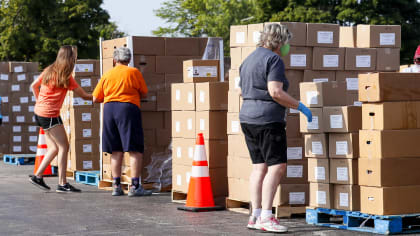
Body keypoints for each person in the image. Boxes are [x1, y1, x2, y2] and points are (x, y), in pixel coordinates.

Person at [239, 23, 312, 233]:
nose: (287, 47)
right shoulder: (274, 59)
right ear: (279, 41)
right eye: (286, 42)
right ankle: (266, 216)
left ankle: (254, 214)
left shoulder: (248, 60)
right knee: (277, 167)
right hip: (268, 120)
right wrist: (299, 106)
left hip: (248, 118)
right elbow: (276, 92)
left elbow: (240, 91)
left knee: (258, 167)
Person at [29, 45, 92, 192]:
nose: (75, 59)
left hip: (39, 113)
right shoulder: (66, 77)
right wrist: (101, 96)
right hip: (50, 115)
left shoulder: (49, 70)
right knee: (64, 147)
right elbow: (84, 96)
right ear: (70, 58)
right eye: (74, 56)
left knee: (54, 148)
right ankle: (62, 184)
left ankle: (37, 176)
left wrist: (39, 101)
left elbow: (33, 86)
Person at [92, 47, 152, 197]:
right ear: (129, 60)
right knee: (134, 149)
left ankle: (116, 185)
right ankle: (135, 186)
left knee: (115, 149)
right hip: (128, 108)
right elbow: (144, 91)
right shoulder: (134, 72)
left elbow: (95, 98)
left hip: (109, 110)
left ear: (114, 60)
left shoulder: (107, 74)